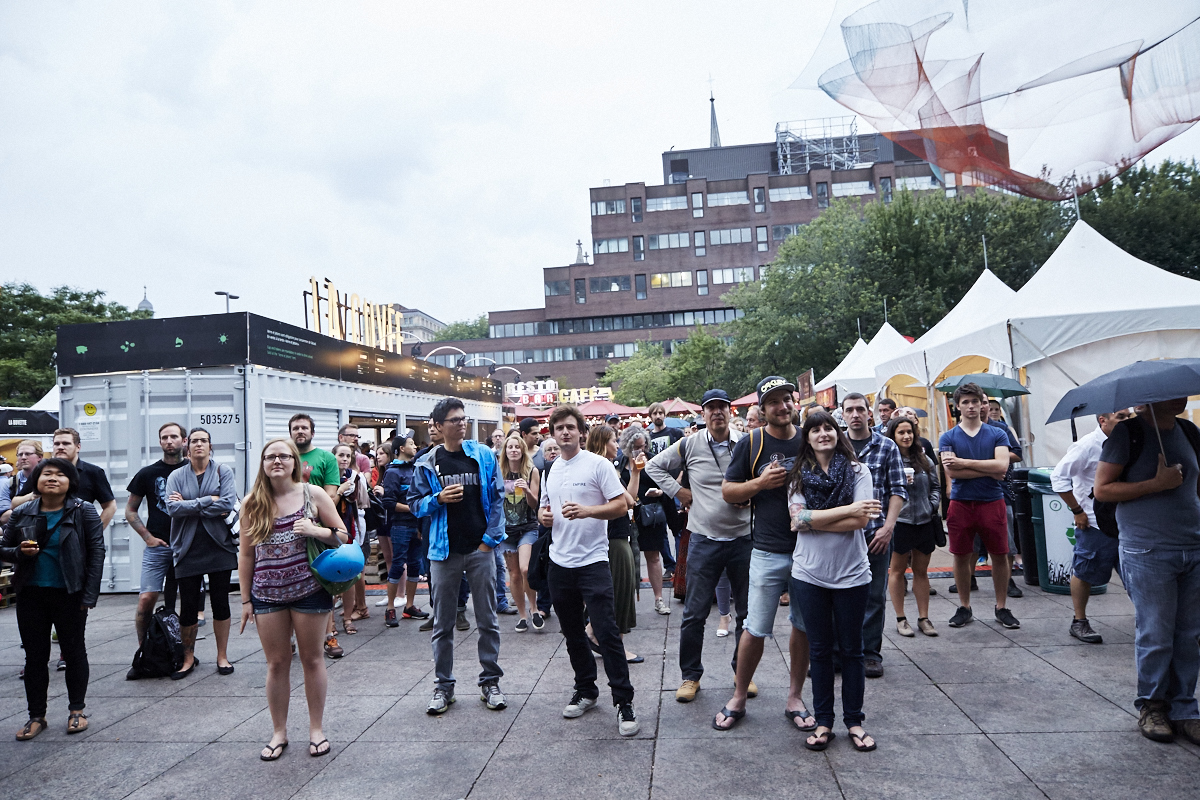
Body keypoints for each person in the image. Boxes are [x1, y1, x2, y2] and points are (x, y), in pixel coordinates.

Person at [1094, 398, 1200, 745]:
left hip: (1193, 546)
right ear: (1150, 398)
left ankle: (1184, 708)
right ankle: (1152, 706)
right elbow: (1103, 489)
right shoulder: (1128, 433)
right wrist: (1156, 484)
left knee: (1189, 635)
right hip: (1148, 549)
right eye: (1171, 392)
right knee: (1156, 631)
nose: (1181, 397)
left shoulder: (1188, 430)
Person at [237, 438, 347, 760]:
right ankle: (279, 732)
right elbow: (245, 555)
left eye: (284, 456)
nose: (277, 462)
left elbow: (342, 535)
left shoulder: (312, 494)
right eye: (270, 457)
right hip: (266, 595)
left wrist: (316, 531)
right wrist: (246, 601)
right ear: (263, 463)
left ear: (294, 462)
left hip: (309, 589)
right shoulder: (251, 503)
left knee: (313, 659)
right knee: (276, 663)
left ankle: (316, 729)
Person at [714, 376, 812, 733]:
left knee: (802, 625)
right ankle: (739, 696)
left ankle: (795, 696)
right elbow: (728, 491)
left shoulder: (810, 438)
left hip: (811, 550)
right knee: (754, 627)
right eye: (774, 402)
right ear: (762, 408)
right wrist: (760, 484)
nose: (782, 406)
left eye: (787, 399)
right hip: (768, 549)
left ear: (794, 402)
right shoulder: (753, 442)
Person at [537, 405, 639, 736]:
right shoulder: (551, 468)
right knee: (571, 633)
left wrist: (588, 511)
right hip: (559, 562)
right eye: (559, 428)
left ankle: (624, 702)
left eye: (570, 427)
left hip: (594, 560)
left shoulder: (598, 464)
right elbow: (543, 509)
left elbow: (622, 504)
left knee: (607, 632)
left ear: (581, 431)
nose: (564, 432)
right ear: (552, 433)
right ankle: (586, 690)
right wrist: (544, 517)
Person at [646, 389, 751, 703]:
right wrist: (678, 491)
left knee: (747, 614)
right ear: (703, 414)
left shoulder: (746, 443)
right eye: (711, 409)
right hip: (704, 539)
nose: (717, 413)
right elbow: (653, 466)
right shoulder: (690, 443)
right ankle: (690, 675)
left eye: (722, 408)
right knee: (694, 613)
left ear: (730, 412)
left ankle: (742, 675)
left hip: (744, 538)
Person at [787, 411, 880, 752]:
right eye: (815, 429)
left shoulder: (858, 471)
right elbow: (797, 522)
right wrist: (847, 511)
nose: (823, 433)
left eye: (828, 427)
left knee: (852, 650)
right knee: (821, 650)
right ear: (807, 438)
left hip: (852, 574)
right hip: (809, 575)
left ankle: (854, 721)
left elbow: (861, 521)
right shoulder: (798, 475)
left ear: (836, 433)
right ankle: (824, 721)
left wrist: (815, 519)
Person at [408, 397, 508, 715]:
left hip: (480, 550)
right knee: (443, 623)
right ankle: (443, 687)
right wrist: (437, 498)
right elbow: (415, 504)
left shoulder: (483, 455)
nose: (461, 424)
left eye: (463, 418)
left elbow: (497, 498)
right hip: (443, 551)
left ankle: (490, 681)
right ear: (437, 426)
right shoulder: (427, 462)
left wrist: (489, 541)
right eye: (454, 420)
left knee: (488, 621)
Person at [2, 458, 105, 739]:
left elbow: (97, 553)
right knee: (35, 657)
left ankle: (76, 711)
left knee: (73, 652)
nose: (53, 478)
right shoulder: (22, 512)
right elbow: (3, 548)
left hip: (69, 592)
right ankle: (36, 716)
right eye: (46, 474)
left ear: (71, 482)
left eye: (60, 475)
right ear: (36, 480)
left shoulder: (84, 512)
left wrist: (89, 594)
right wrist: (19, 553)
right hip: (31, 593)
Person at [939, 383, 1019, 630]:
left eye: (976, 401)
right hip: (962, 503)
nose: (972, 406)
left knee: (999, 555)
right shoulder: (948, 436)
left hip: (992, 501)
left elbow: (1002, 468)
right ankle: (964, 606)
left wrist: (964, 464)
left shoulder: (997, 433)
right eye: (966, 402)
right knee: (961, 555)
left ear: (982, 403)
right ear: (957, 406)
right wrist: (988, 468)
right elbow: (952, 471)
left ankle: (1001, 606)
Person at [1051, 409, 1134, 643]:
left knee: (1136, 574)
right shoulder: (1088, 445)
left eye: (1129, 417)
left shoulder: (1131, 442)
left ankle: (1149, 619)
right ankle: (1079, 621)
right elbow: (1058, 478)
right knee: (1084, 571)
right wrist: (1077, 511)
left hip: (1126, 522)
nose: (1127, 421)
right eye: (1121, 417)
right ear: (1103, 420)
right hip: (1094, 522)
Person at [840, 393, 908, 677]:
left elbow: (898, 489)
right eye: (849, 410)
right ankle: (838, 652)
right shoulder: (834, 444)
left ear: (869, 413)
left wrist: (888, 526)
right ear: (842, 415)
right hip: (840, 534)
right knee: (837, 594)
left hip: (876, 534)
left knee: (873, 596)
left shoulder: (887, 446)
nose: (855, 414)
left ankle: (870, 653)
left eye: (860, 409)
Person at [165, 427, 239, 679]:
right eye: (194, 441)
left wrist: (189, 504)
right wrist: (208, 500)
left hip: (219, 546)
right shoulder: (176, 475)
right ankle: (187, 658)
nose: (199, 445)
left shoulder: (222, 470)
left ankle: (222, 656)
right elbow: (172, 509)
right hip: (187, 547)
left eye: (204, 441)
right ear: (187, 447)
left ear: (210, 446)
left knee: (220, 602)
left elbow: (227, 503)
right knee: (187, 606)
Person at [125, 422, 189, 676]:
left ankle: (184, 654)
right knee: (146, 599)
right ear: (160, 442)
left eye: (174, 436)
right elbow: (130, 510)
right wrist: (147, 537)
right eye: (165, 437)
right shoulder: (148, 473)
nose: (169, 441)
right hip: (158, 546)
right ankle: (146, 651)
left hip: (188, 546)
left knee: (189, 602)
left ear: (184, 440)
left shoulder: (193, 470)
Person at [288, 414, 344, 657]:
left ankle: (329, 636)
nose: (300, 431)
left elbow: (331, 496)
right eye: (295, 428)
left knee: (323, 583)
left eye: (304, 428)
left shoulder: (326, 458)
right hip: (286, 532)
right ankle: (288, 638)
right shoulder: (284, 456)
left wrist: (314, 521)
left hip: (319, 532)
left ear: (312, 432)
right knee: (287, 584)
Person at [584, 425, 640, 662]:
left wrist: (635, 472)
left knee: (620, 590)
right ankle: (603, 638)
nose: (617, 445)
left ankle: (600, 635)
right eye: (614, 441)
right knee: (620, 592)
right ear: (602, 442)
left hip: (617, 534)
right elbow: (628, 502)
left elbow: (631, 499)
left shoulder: (607, 467)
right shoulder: (603, 466)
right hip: (613, 537)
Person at [884, 416, 940, 637]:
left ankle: (924, 618)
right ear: (893, 436)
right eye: (901, 433)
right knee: (897, 571)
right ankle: (901, 618)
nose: (906, 436)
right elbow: (882, 490)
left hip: (924, 521)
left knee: (921, 571)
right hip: (900, 522)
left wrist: (932, 505)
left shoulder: (924, 459)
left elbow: (936, 486)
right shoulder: (890, 459)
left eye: (909, 432)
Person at [620, 424, 670, 615]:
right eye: (636, 447)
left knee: (653, 556)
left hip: (650, 514)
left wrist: (660, 491)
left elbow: (666, 483)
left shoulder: (653, 461)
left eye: (643, 446)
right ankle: (627, 601)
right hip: (628, 515)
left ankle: (659, 599)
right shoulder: (620, 463)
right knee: (628, 559)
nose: (640, 450)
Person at [382, 433, 428, 625]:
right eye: (411, 443)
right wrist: (413, 508)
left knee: (415, 566)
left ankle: (409, 606)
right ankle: (390, 608)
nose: (415, 446)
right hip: (400, 525)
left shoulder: (416, 468)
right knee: (398, 564)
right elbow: (388, 502)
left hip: (416, 526)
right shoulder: (392, 472)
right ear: (401, 448)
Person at [498, 431, 541, 631]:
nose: (513, 450)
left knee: (525, 569)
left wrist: (526, 491)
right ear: (505, 451)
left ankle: (534, 609)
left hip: (527, 527)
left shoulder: (532, 471)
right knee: (514, 574)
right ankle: (523, 616)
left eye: (517, 447)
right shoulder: (498, 472)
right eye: (510, 447)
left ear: (523, 451)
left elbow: (534, 504)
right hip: (506, 530)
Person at [332, 443, 371, 634]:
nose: (345, 459)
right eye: (341, 455)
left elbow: (361, 503)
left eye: (348, 456)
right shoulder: (326, 477)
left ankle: (348, 618)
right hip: (329, 530)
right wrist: (340, 490)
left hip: (349, 528)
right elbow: (328, 503)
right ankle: (330, 623)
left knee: (349, 575)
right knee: (329, 576)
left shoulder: (355, 477)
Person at [1, 440, 43, 524]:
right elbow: (4, 517)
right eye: (20, 454)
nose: (23, 457)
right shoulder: (9, 483)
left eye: (28, 454)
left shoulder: (48, 479)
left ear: (40, 457)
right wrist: (31, 497)